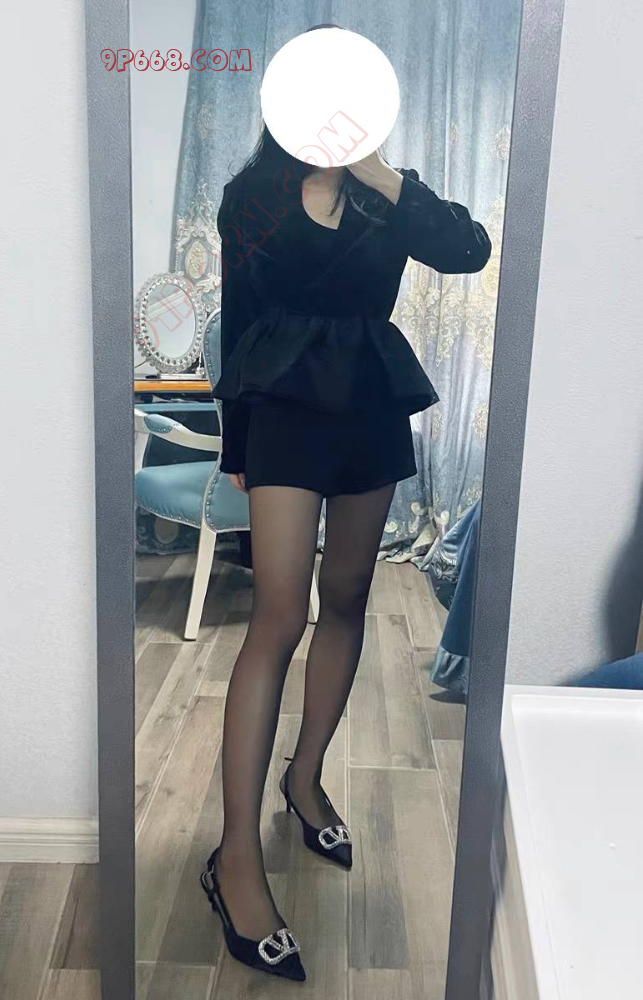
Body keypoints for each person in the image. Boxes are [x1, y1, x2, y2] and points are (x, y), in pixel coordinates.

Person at [199, 99, 491, 981]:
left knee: (350, 596)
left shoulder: (388, 194)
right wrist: (236, 445)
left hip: (367, 397)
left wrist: (379, 173)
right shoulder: (253, 193)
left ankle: (305, 778)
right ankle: (234, 859)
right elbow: (240, 317)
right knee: (278, 615)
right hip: (282, 403)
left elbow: (467, 250)